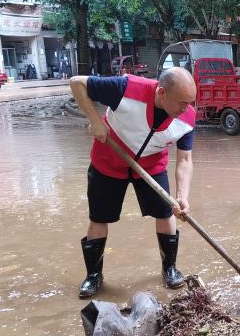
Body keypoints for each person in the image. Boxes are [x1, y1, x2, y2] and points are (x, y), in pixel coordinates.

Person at [69, 67, 197, 298]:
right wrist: (96, 121)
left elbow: (185, 160)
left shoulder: (186, 119)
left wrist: (182, 196)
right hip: (108, 161)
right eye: (181, 102)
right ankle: (94, 276)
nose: (185, 109)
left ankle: (169, 268)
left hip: (150, 166)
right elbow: (77, 83)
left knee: (166, 214)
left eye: (190, 102)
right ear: (161, 93)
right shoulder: (126, 88)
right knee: (99, 218)